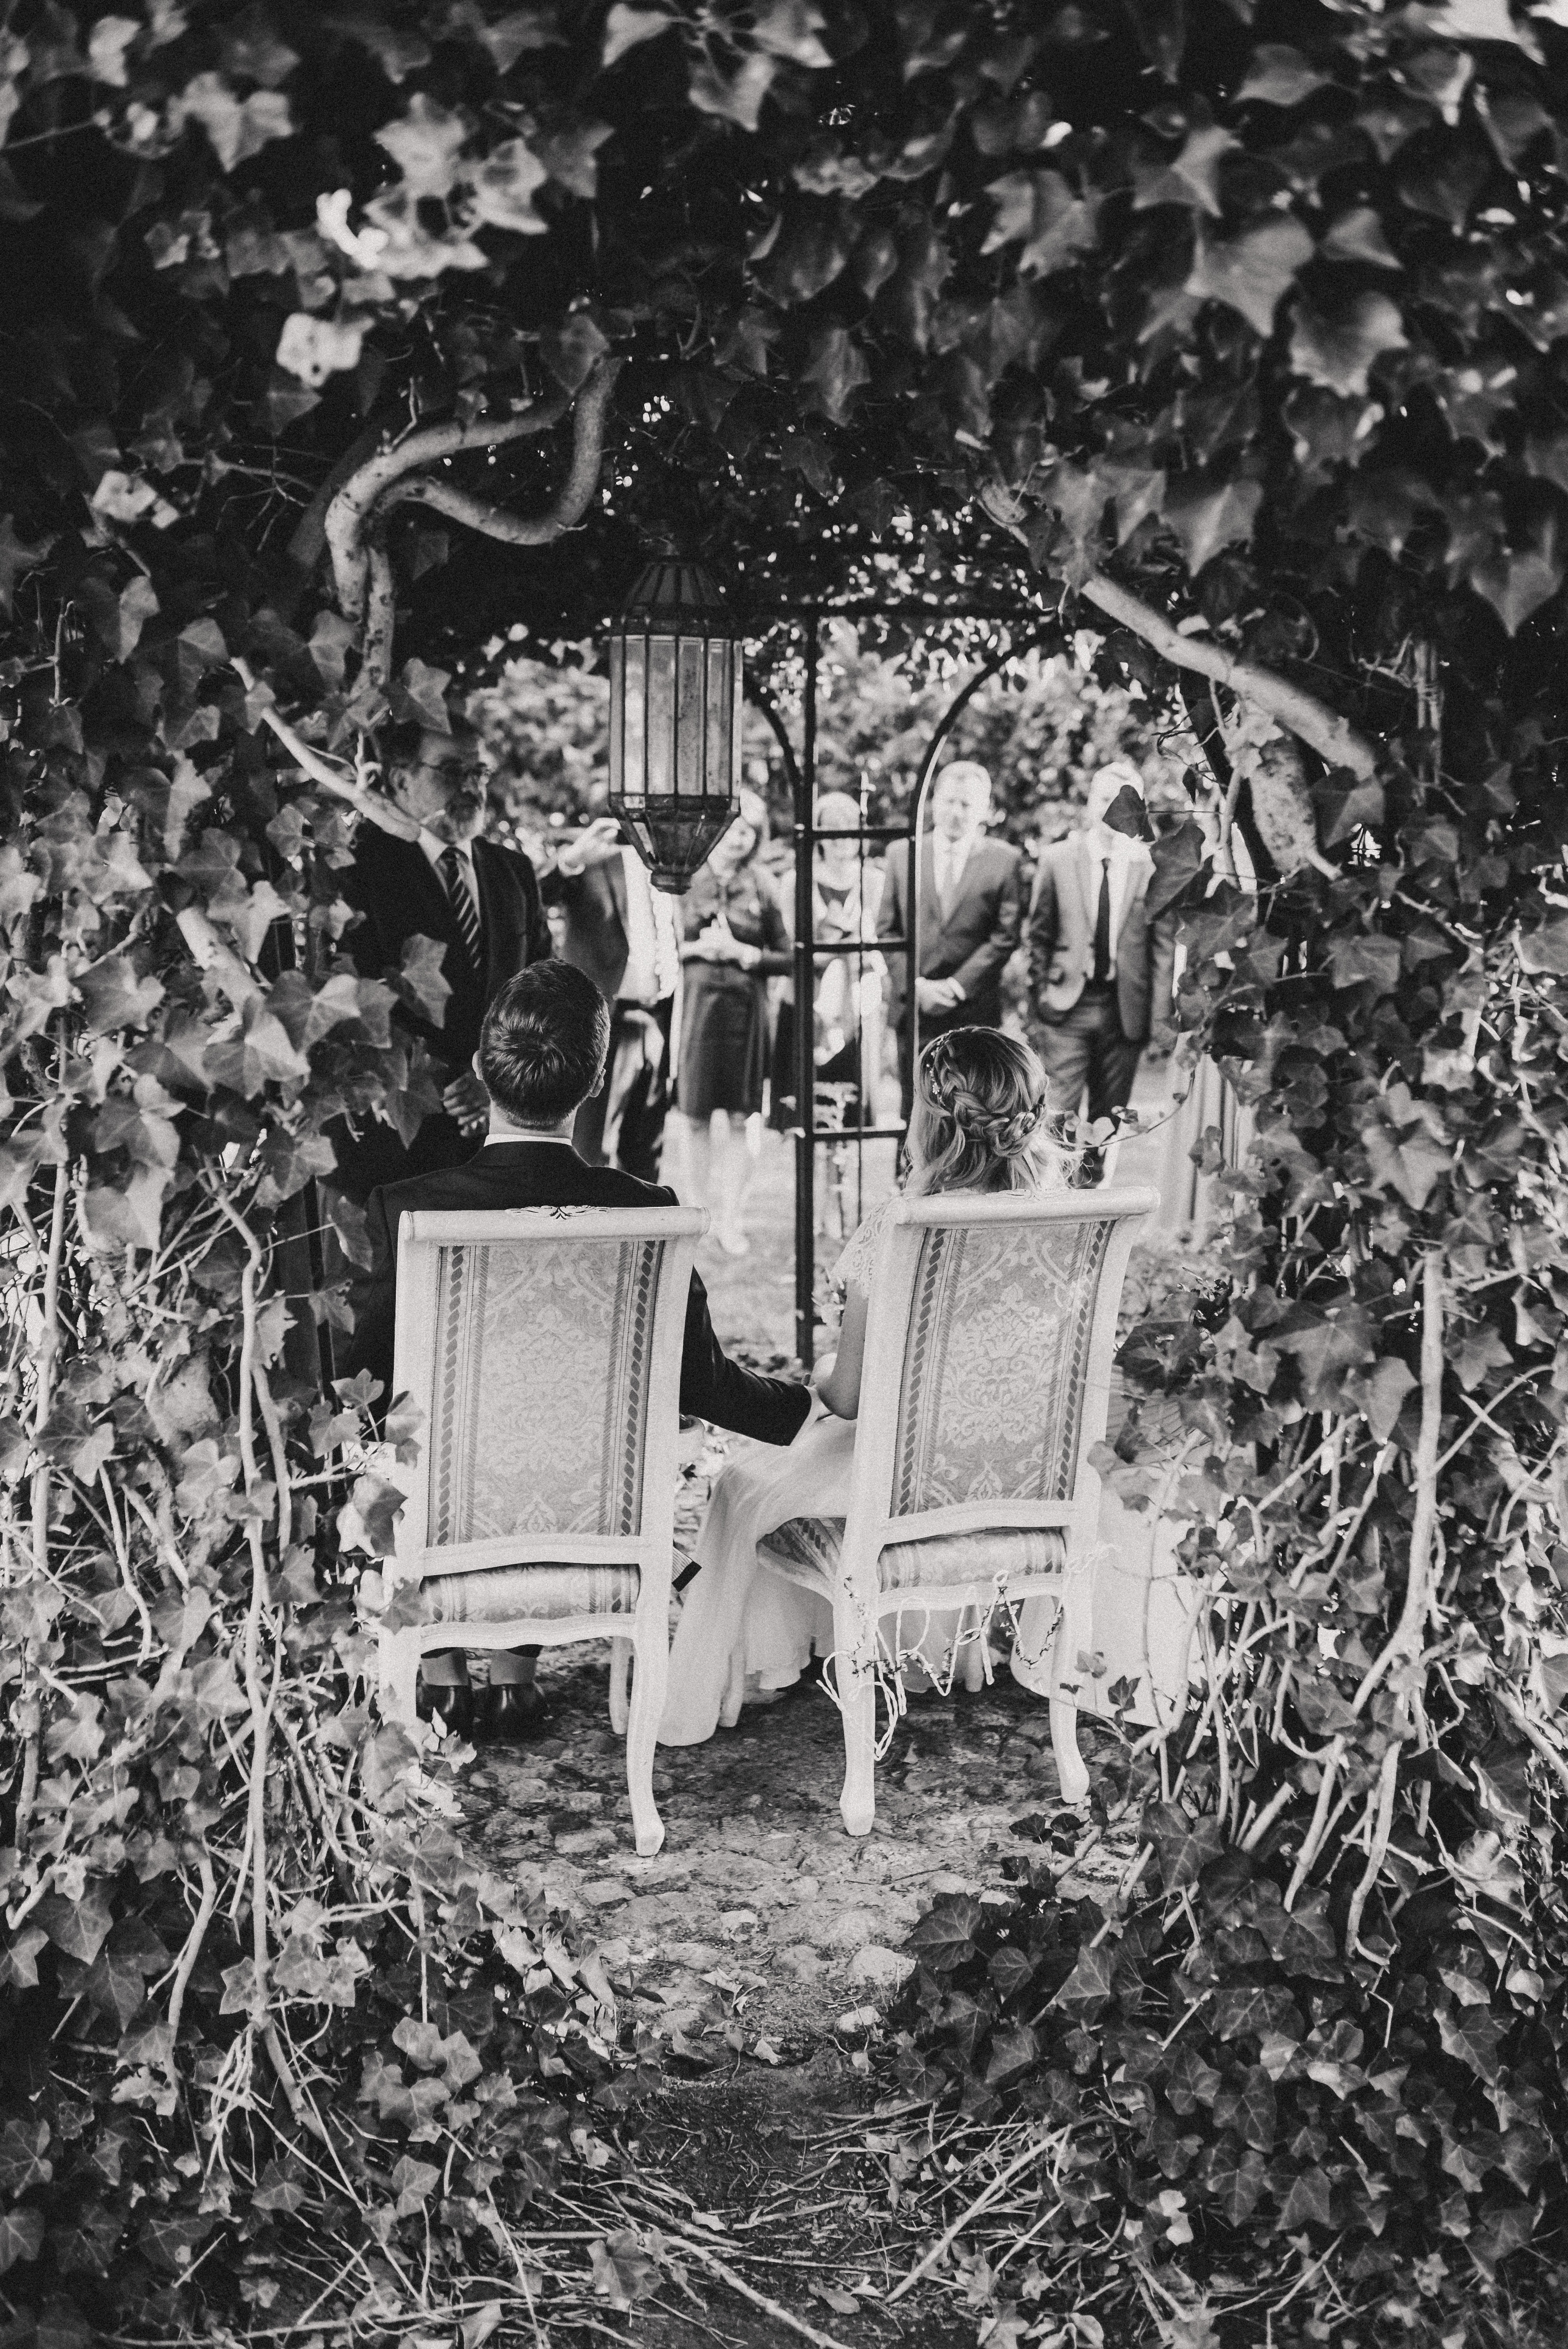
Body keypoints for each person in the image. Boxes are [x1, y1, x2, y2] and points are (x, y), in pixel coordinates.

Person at [344, 960, 813, 1741]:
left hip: (442, 1521)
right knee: (555, 1420)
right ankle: (514, 1681)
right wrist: (807, 1405)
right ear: (596, 1080)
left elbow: (361, 1384)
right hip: (589, 1521)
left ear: (482, 1070)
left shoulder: (408, 1209)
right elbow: (707, 1387)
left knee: (417, 1430)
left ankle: (442, 1677)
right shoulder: (645, 1212)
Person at [658, 1027, 1063, 1748]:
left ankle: (750, 1672)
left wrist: (818, 1376)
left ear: (931, 1124)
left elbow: (846, 1398)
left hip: (904, 1484)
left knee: (743, 1485)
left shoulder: (896, 1230)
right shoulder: (1067, 1225)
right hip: (1018, 1477)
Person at [333, 718, 552, 1200]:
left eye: (478, 772)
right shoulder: (357, 871)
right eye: (452, 771)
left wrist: (493, 1082)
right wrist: (447, 1085)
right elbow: (353, 1002)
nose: (471, 787)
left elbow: (543, 997)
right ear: (400, 780)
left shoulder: (512, 872)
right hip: (395, 1152)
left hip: (499, 1149)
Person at [1027, 760, 1176, 1176]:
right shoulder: (1058, 859)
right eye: (1105, 799)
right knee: (1056, 1114)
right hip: (1067, 1008)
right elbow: (1037, 936)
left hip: (1124, 1010)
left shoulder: (1153, 868)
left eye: (1125, 802)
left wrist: (1159, 1022)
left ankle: (1093, 1197)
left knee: (1108, 1119)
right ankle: (1053, 1195)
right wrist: (1041, 998)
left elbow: (1163, 952)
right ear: (1090, 803)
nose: (1113, 810)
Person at [670, 786, 789, 1255]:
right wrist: (699, 948)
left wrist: (745, 953)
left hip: (746, 1014)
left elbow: (788, 956)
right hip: (698, 1013)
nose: (739, 839)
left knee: (744, 1118)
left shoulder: (762, 883)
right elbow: (662, 947)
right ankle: (698, 1214)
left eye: (749, 832)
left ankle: (731, 1218)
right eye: (733, 829)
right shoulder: (683, 878)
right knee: (695, 1118)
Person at [877, 761, 1024, 1117]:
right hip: (915, 1008)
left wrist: (957, 986)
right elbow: (886, 930)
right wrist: (917, 987)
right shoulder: (902, 854)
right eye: (949, 802)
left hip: (973, 1009)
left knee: (973, 1111)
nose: (956, 813)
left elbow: (1005, 936)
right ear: (934, 802)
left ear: (984, 809)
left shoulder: (1005, 861)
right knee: (915, 1112)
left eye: (967, 804)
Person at [541, 811, 682, 1182]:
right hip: (601, 1017)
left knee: (646, 1145)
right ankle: (586, 1212)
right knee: (591, 1143)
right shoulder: (592, 856)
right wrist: (573, 859)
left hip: (658, 1014)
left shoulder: (672, 865)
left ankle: (641, 1216)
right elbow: (538, 892)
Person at [770, 790, 886, 1135]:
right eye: (831, 827)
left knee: (850, 1110)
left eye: (849, 826)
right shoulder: (796, 881)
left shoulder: (875, 881)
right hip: (806, 1001)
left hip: (857, 1003)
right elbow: (789, 944)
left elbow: (882, 945)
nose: (840, 836)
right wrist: (835, 948)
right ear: (818, 833)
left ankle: (843, 1166)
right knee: (804, 1106)